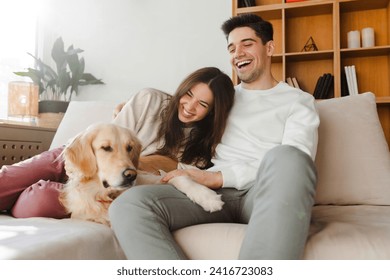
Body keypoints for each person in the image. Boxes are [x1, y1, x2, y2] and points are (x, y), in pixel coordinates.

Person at [109, 13, 320, 260]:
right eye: (232, 48)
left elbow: (298, 164)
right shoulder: (221, 98)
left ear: (269, 47)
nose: (238, 53)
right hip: (213, 195)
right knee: (129, 205)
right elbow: (183, 111)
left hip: (264, 192)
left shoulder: (298, 101)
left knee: (289, 157)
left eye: (247, 44)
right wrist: (129, 110)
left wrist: (217, 178)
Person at [0, 67, 235, 218]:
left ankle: (15, 202)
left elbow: (162, 177)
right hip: (78, 156)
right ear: (182, 89)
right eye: (189, 94)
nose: (190, 106)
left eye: (203, 104)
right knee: (12, 177)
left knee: (37, 199)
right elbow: (108, 136)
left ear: (213, 112)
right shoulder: (150, 100)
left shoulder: (201, 152)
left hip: (108, 186)